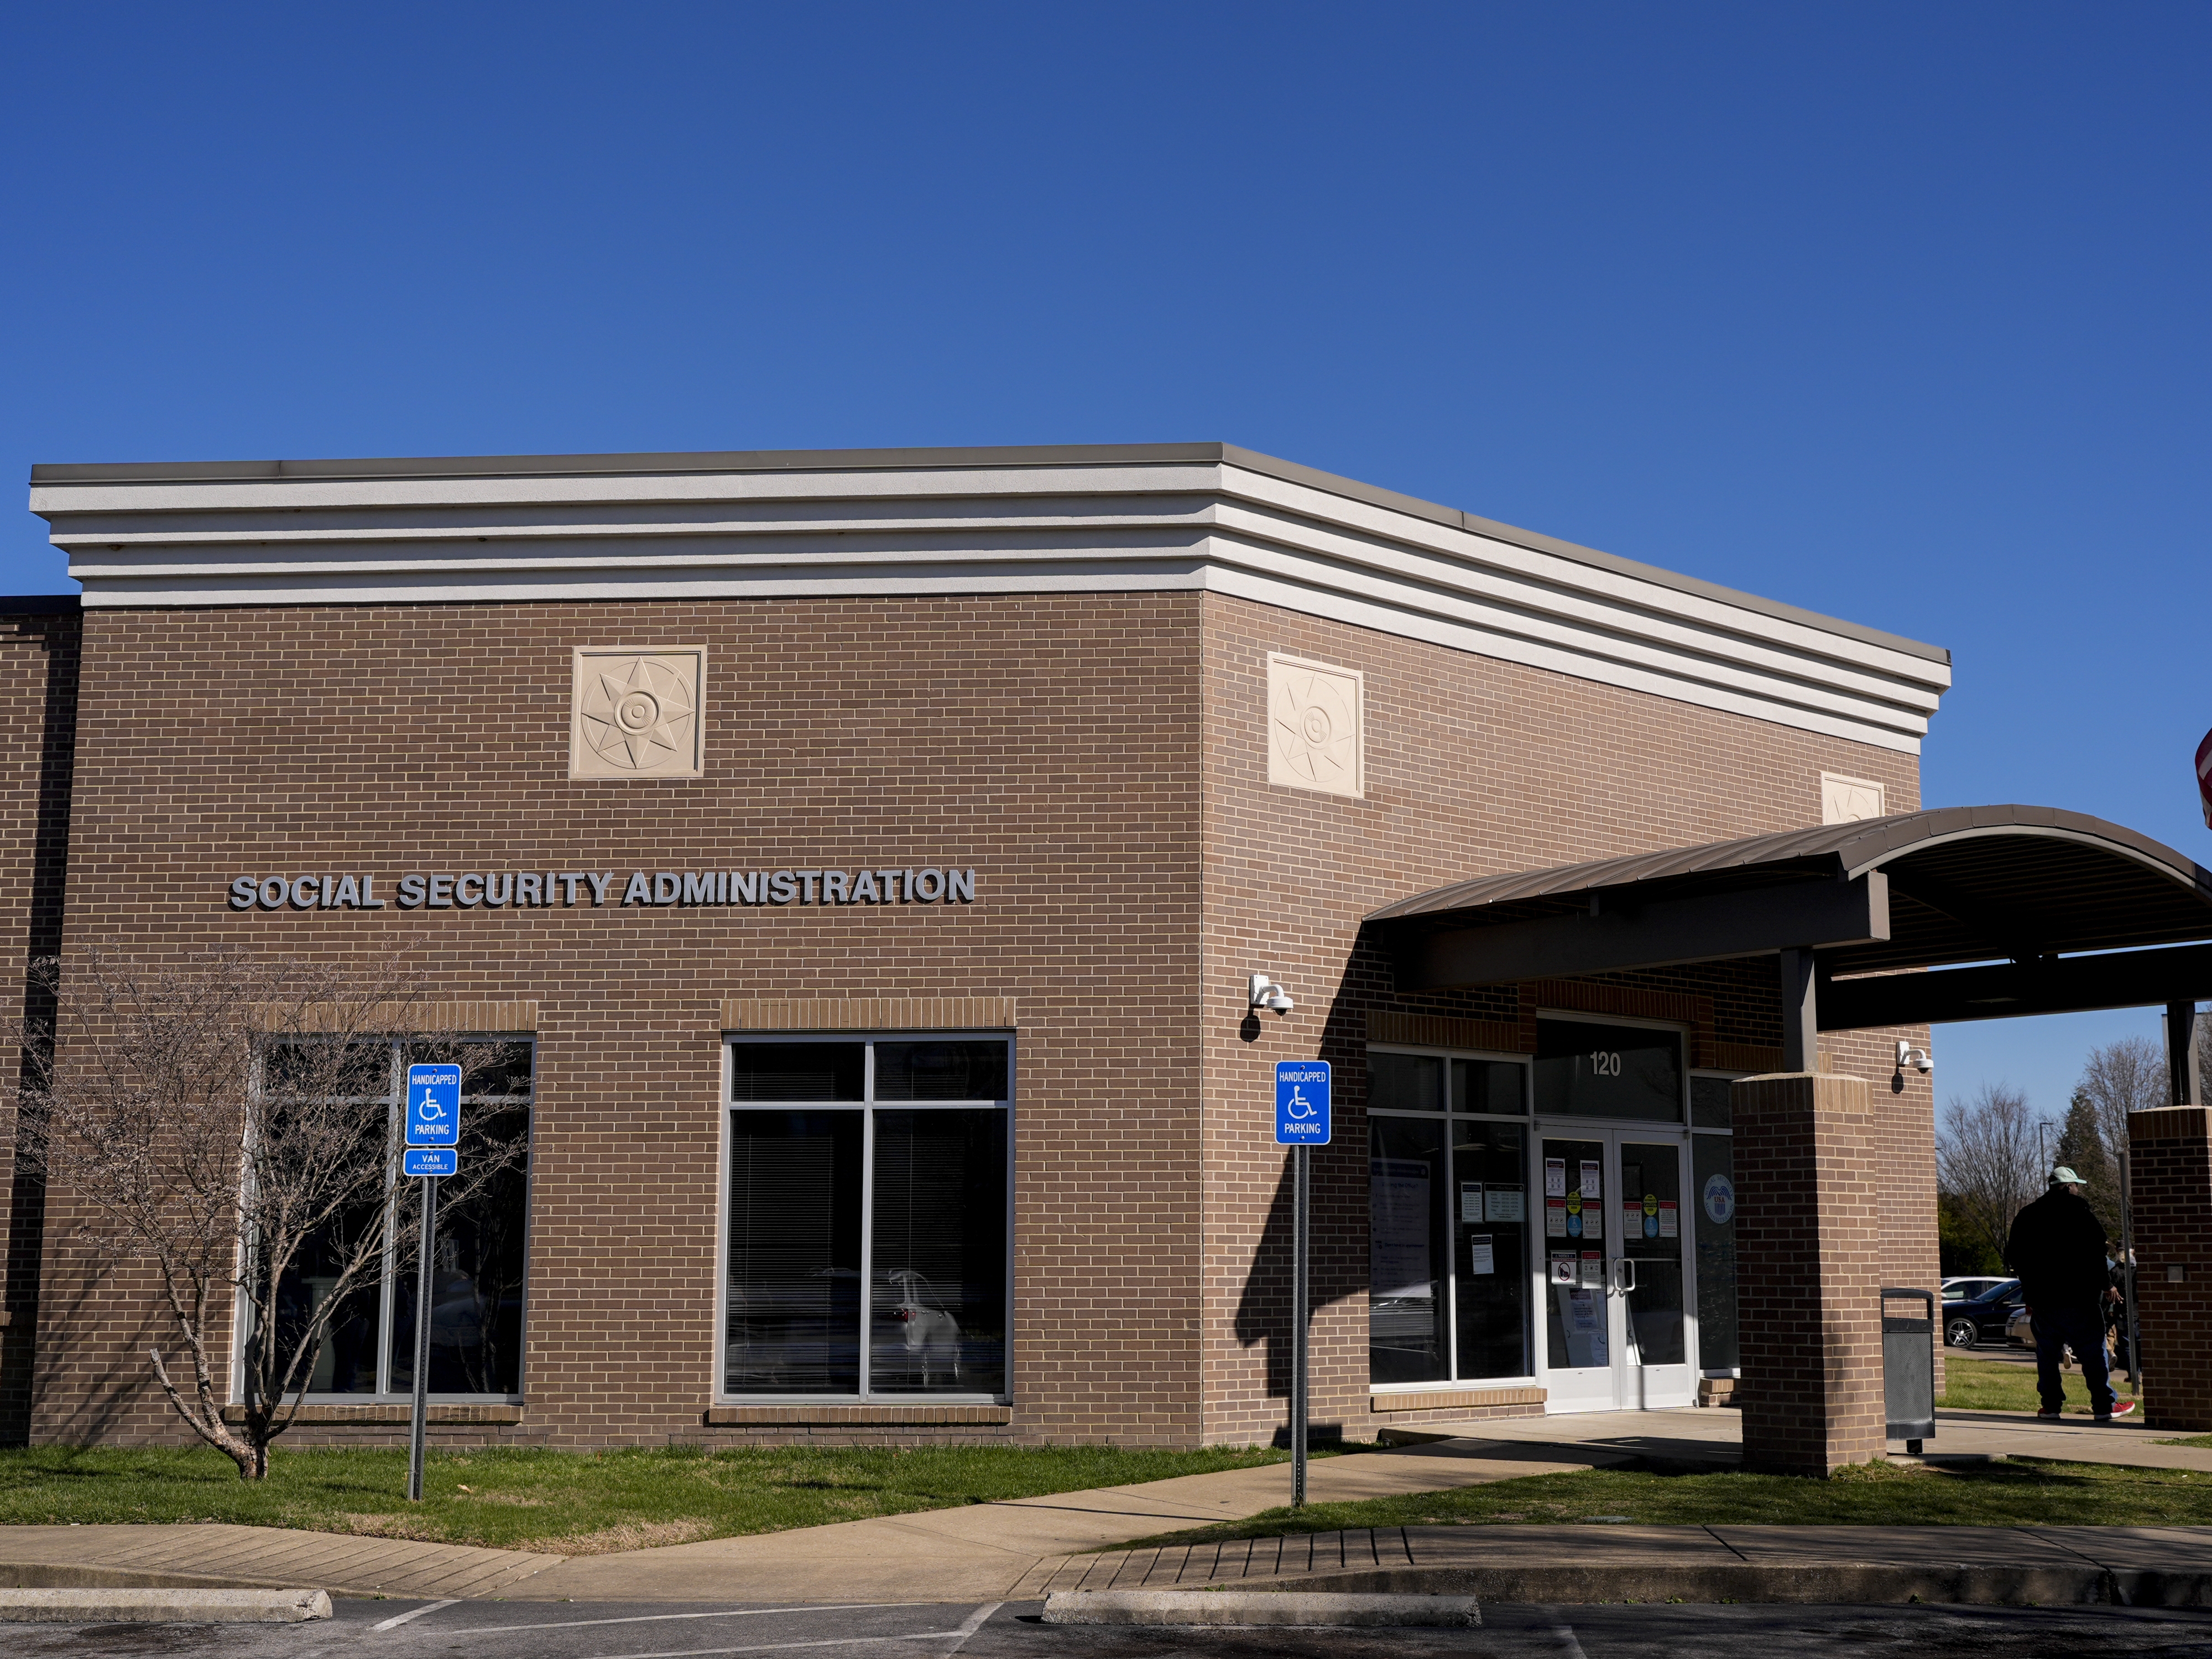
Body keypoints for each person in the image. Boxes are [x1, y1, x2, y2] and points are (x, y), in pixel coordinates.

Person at [2004, 1166, 2137, 1422]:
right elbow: (2095, 1255)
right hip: (2079, 1299)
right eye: (2076, 1185)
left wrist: (2030, 1292)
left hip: (2043, 1301)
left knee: (2046, 1354)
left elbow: (2018, 1258)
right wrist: (2107, 1285)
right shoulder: (2080, 1214)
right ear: (2067, 1186)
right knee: (2093, 1352)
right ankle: (2104, 1405)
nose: (2078, 1189)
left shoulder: (2028, 1216)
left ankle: (2051, 1406)